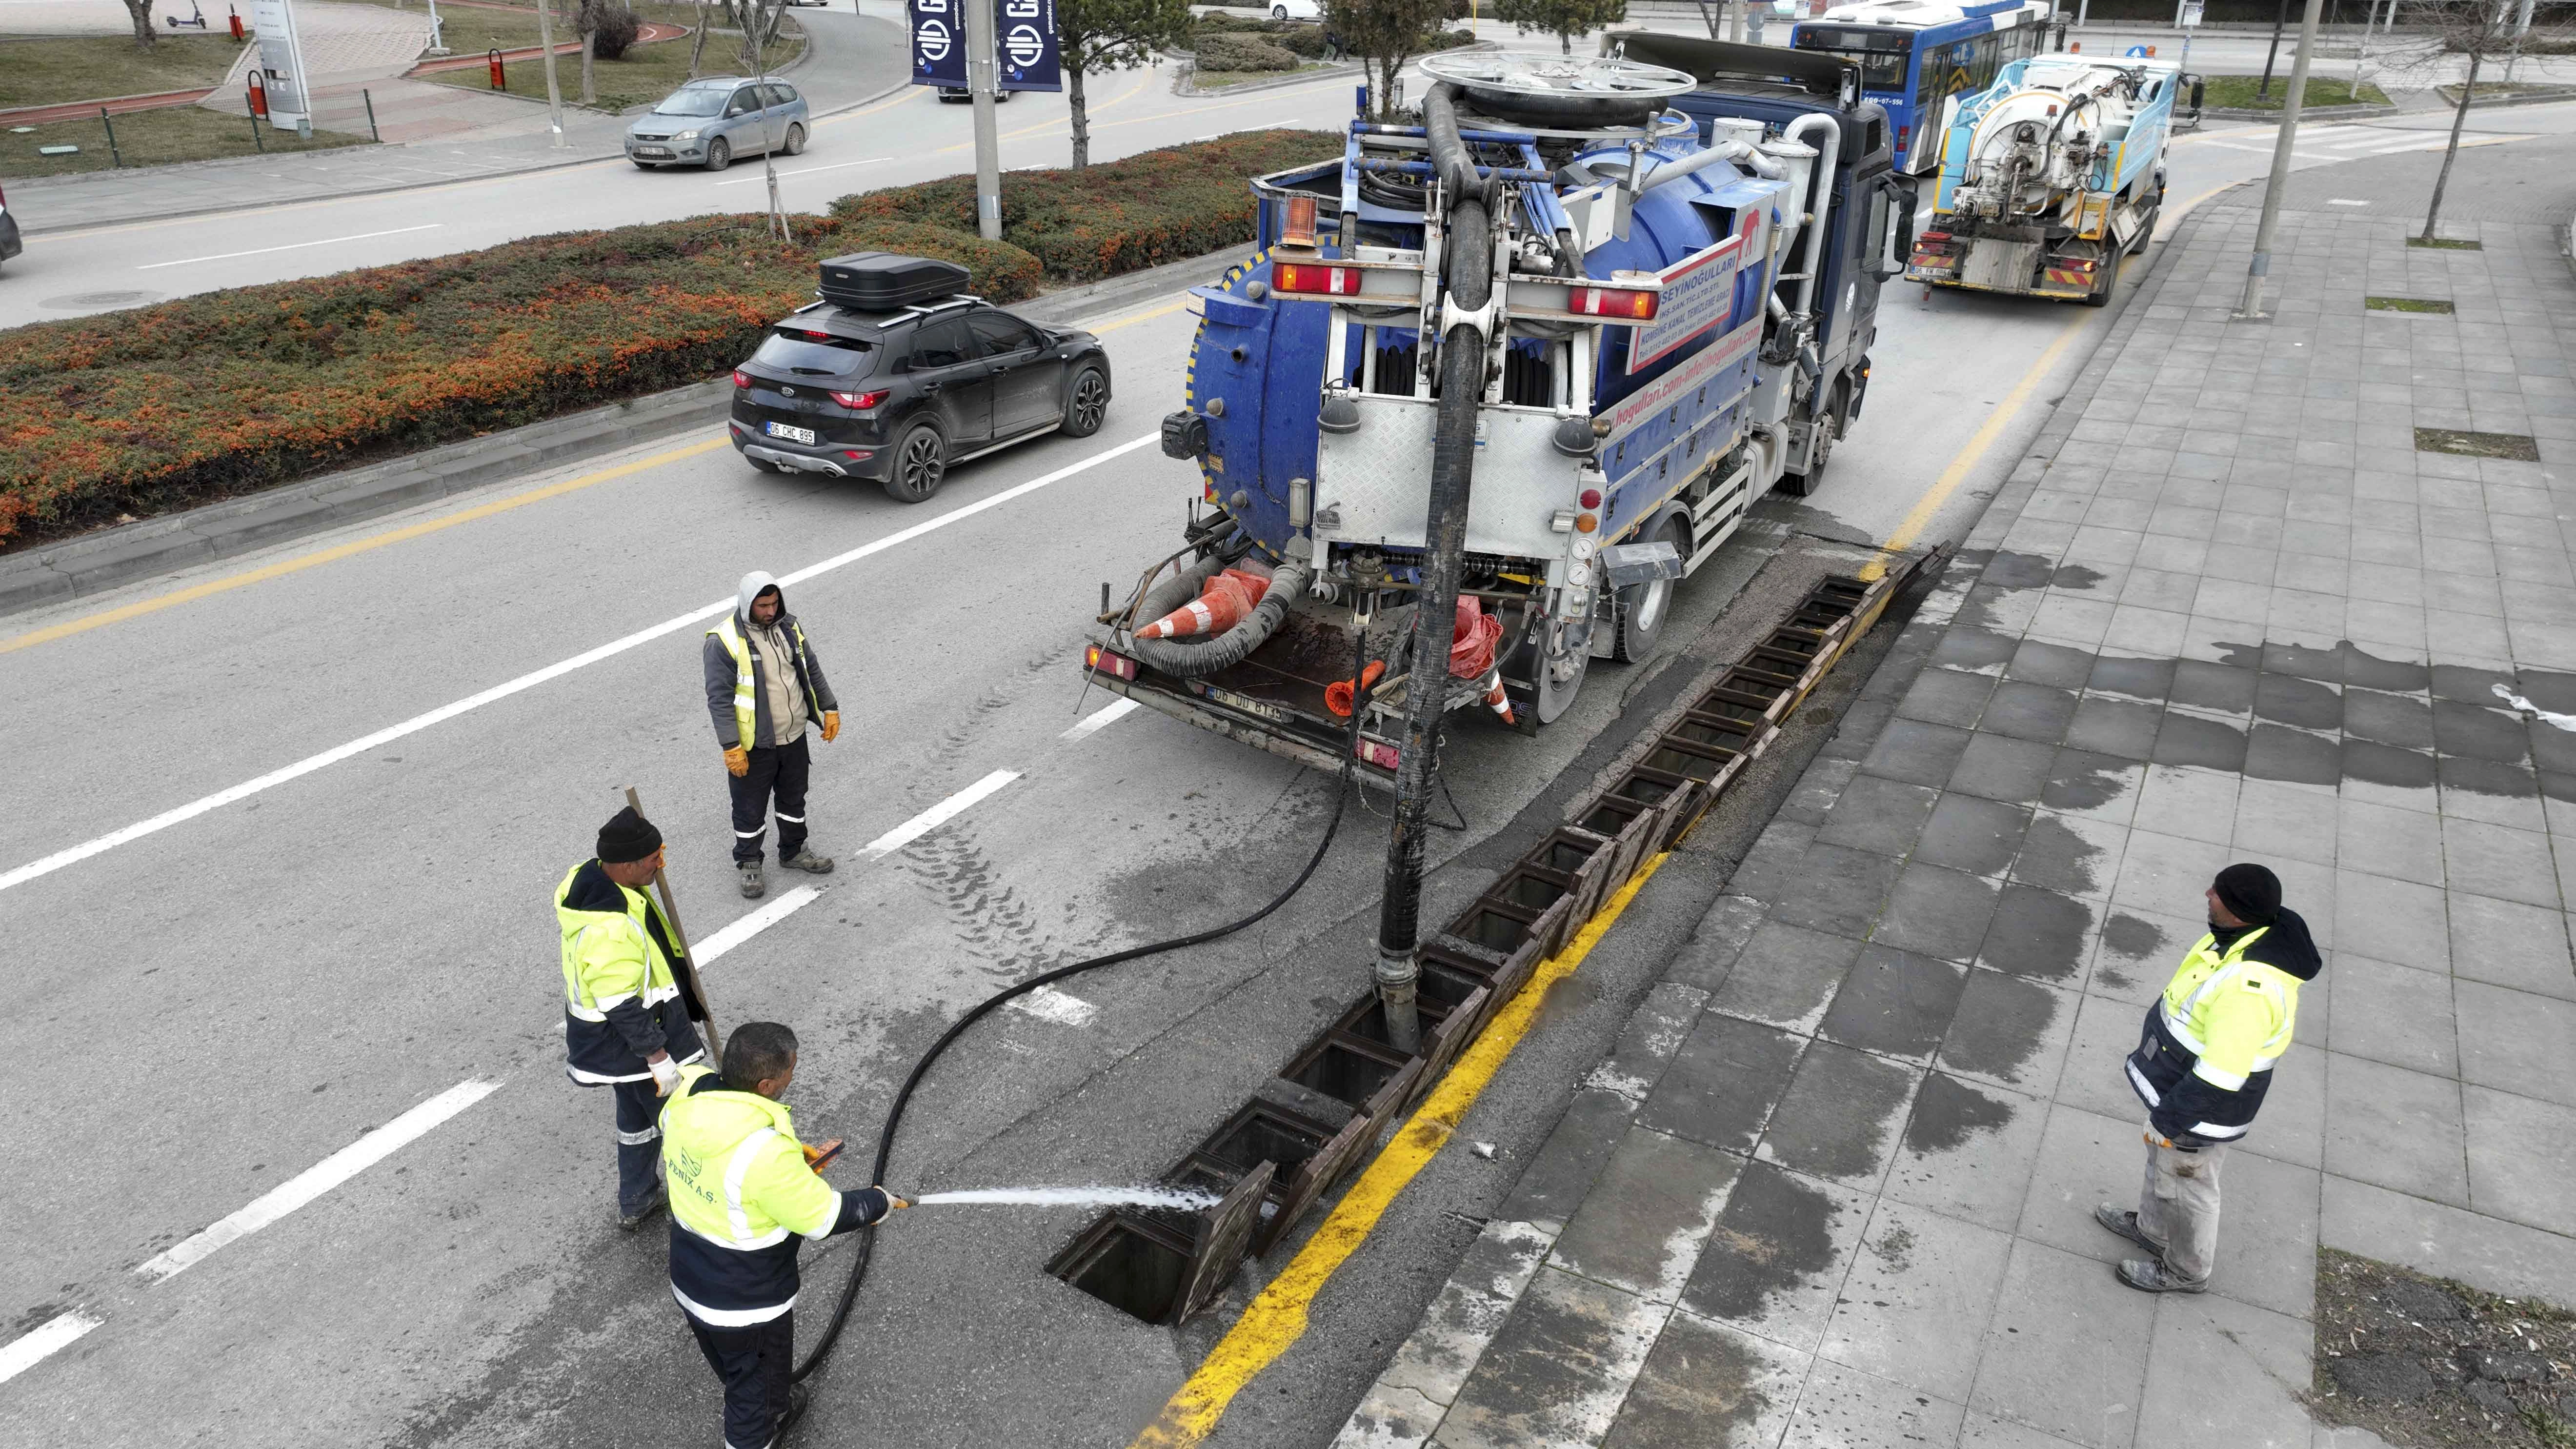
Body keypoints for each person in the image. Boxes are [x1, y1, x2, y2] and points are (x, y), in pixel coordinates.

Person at [663, 1021, 905, 1449]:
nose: (794, 1074)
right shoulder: (764, 1154)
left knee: (736, 1368)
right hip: (744, 1303)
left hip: (689, 1276)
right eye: (791, 1069)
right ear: (767, 1085)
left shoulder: (686, 1100)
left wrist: (791, 1168)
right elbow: (823, 1218)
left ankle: (771, 1403)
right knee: (753, 1395)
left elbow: (723, 1169)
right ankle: (760, 1427)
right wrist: (878, 1202)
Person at [2099, 863, 2320, 1293]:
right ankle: (2152, 1231)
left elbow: (2222, 1073)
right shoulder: (2235, 937)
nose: (2207, 894)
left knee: (2189, 1183)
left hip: (2198, 1110)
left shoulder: (2249, 988)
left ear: (2237, 910)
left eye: (2216, 892)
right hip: (2179, 1092)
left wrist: (2170, 1120)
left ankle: (2186, 1270)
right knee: (2163, 1165)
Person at [557, 805, 708, 1229]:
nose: (660, 865)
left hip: (617, 1047)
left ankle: (637, 1200)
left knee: (637, 1122)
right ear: (625, 867)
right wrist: (659, 1059)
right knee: (688, 1121)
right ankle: (707, 1202)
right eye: (653, 859)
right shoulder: (610, 930)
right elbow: (621, 1005)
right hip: (632, 1047)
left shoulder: (595, 880)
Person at [704, 571, 842, 901]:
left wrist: (830, 707)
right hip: (755, 745)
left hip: (793, 736)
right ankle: (749, 862)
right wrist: (731, 746)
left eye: (774, 603)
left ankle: (794, 850)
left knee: (794, 799)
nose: (770, 611)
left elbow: (811, 668)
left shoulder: (789, 627)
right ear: (747, 604)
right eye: (763, 606)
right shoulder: (723, 642)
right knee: (749, 808)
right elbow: (719, 699)